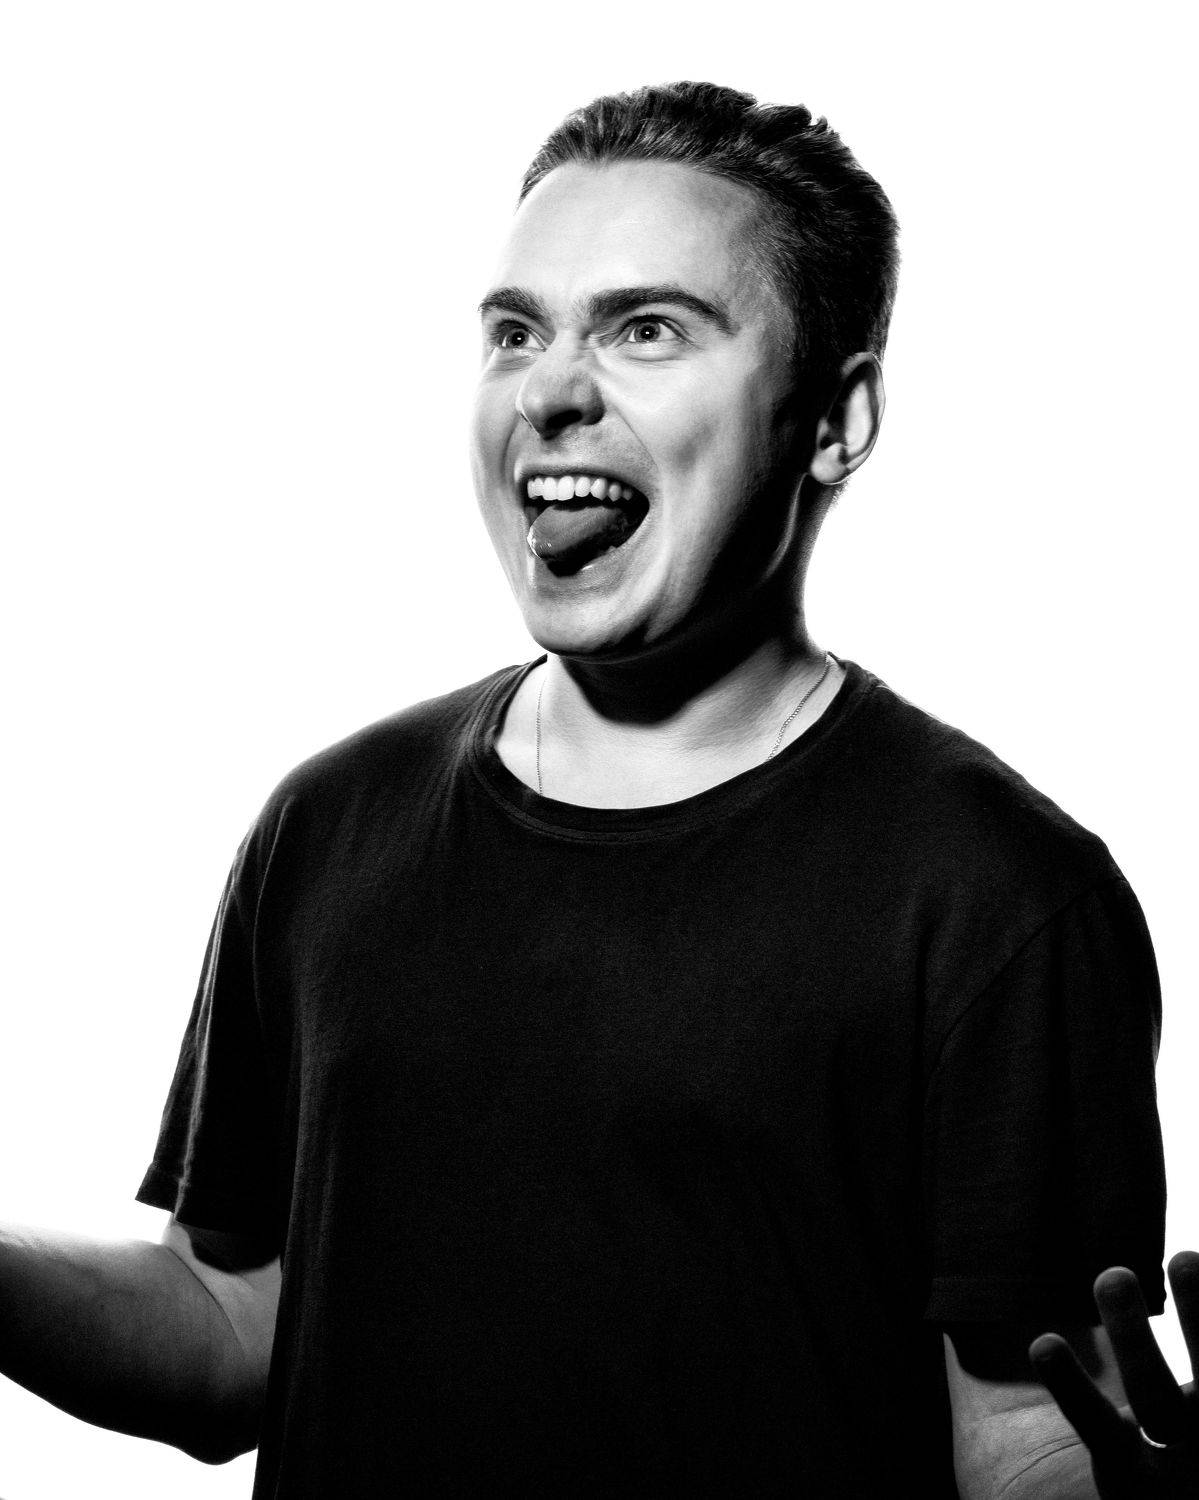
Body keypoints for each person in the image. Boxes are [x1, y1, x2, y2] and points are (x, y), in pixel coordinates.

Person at [0, 81, 1195, 1497]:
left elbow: (1027, 1440)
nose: (550, 390)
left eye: (646, 329)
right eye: (517, 332)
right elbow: (230, 1324)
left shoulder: (1001, 900)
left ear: (837, 417)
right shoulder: (329, 826)